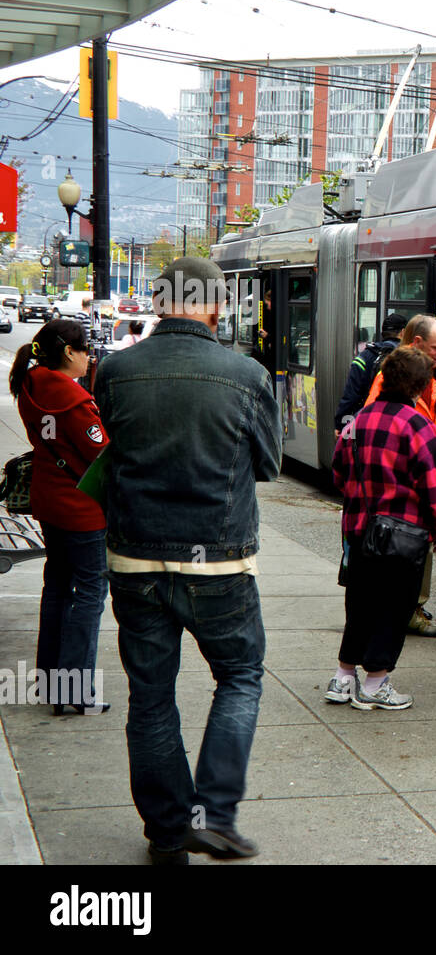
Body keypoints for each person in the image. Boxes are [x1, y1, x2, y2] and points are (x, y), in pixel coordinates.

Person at [94, 257, 282, 865]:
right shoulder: (246, 373)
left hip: (135, 559)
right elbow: (270, 464)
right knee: (240, 677)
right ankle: (215, 816)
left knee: (150, 698)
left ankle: (168, 833)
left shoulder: (114, 370)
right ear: (216, 304)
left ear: (157, 298)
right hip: (219, 564)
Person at [326, 345, 436, 711]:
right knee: (393, 608)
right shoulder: (420, 428)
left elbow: (339, 473)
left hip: (358, 532)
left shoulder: (359, 420)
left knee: (358, 603)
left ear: (383, 378)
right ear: (419, 387)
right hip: (403, 537)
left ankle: (342, 678)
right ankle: (375, 684)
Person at [9, 318, 110, 715]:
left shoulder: (30, 386)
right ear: (69, 352)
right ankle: (76, 689)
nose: (90, 357)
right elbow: (101, 455)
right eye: (86, 350)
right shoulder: (75, 402)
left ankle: (51, 680)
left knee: (56, 589)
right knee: (89, 595)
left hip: (49, 501)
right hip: (81, 509)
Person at [364, 315, 436, 636]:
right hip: (402, 485)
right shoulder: (388, 381)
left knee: (418, 553)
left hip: (422, 471)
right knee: (402, 553)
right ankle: (404, 611)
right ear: (417, 343)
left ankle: (412, 606)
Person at [333, 311, 408, 438]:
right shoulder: (409, 358)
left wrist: (340, 425)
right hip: (398, 425)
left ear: (382, 333)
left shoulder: (365, 356)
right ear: (403, 332)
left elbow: (350, 396)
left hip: (365, 422)